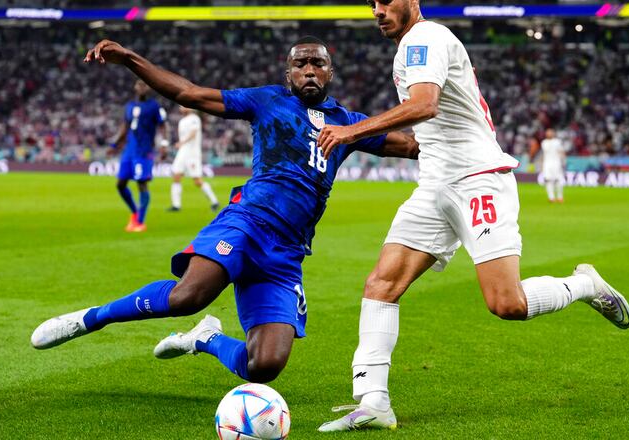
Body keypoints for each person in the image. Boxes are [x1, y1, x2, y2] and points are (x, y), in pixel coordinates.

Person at [316, 0, 629, 431]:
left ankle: (584, 285)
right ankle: (374, 401)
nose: (377, 10)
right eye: (372, 3)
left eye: (386, 0)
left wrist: (352, 131)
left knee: (507, 303)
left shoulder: (425, 38)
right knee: (381, 284)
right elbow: (434, 121)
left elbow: (425, 104)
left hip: (477, 180)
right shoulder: (414, 44)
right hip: (435, 184)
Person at [30, 36, 418, 385]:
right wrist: (131, 58)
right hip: (247, 222)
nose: (309, 70)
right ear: (288, 74)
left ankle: (207, 338)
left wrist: (449, 109)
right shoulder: (267, 100)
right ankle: (91, 318)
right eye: (300, 64)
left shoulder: (350, 124)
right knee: (187, 297)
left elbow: (411, 146)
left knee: (264, 366)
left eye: (318, 63)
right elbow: (190, 94)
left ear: (330, 72)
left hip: (287, 252)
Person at [110, 79, 169, 232]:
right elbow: (125, 127)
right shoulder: (130, 106)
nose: (142, 87)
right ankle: (135, 212)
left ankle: (140, 222)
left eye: (145, 84)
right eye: (139, 84)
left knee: (141, 183)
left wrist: (164, 144)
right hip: (129, 150)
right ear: (135, 87)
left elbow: (163, 125)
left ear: (149, 87)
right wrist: (115, 145)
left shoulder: (154, 106)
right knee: (120, 184)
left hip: (145, 150)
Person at [168, 106, 220, 212]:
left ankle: (214, 201)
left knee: (197, 181)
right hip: (182, 152)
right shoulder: (182, 120)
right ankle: (176, 205)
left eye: (184, 106)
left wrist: (182, 142)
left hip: (192, 153)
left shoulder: (194, 118)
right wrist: (181, 144)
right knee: (176, 176)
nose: (182, 108)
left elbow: (193, 133)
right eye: (181, 106)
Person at [540, 128, 567, 203]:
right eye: (547, 132)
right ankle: (551, 197)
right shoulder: (544, 142)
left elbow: (561, 152)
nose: (549, 134)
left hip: (556, 163)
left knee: (558, 180)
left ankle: (560, 197)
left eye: (550, 132)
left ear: (553, 133)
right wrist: (542, 164)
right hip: (547, 164)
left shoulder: (557, 142)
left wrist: (564, 162)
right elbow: (544, 154)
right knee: (548, 180)